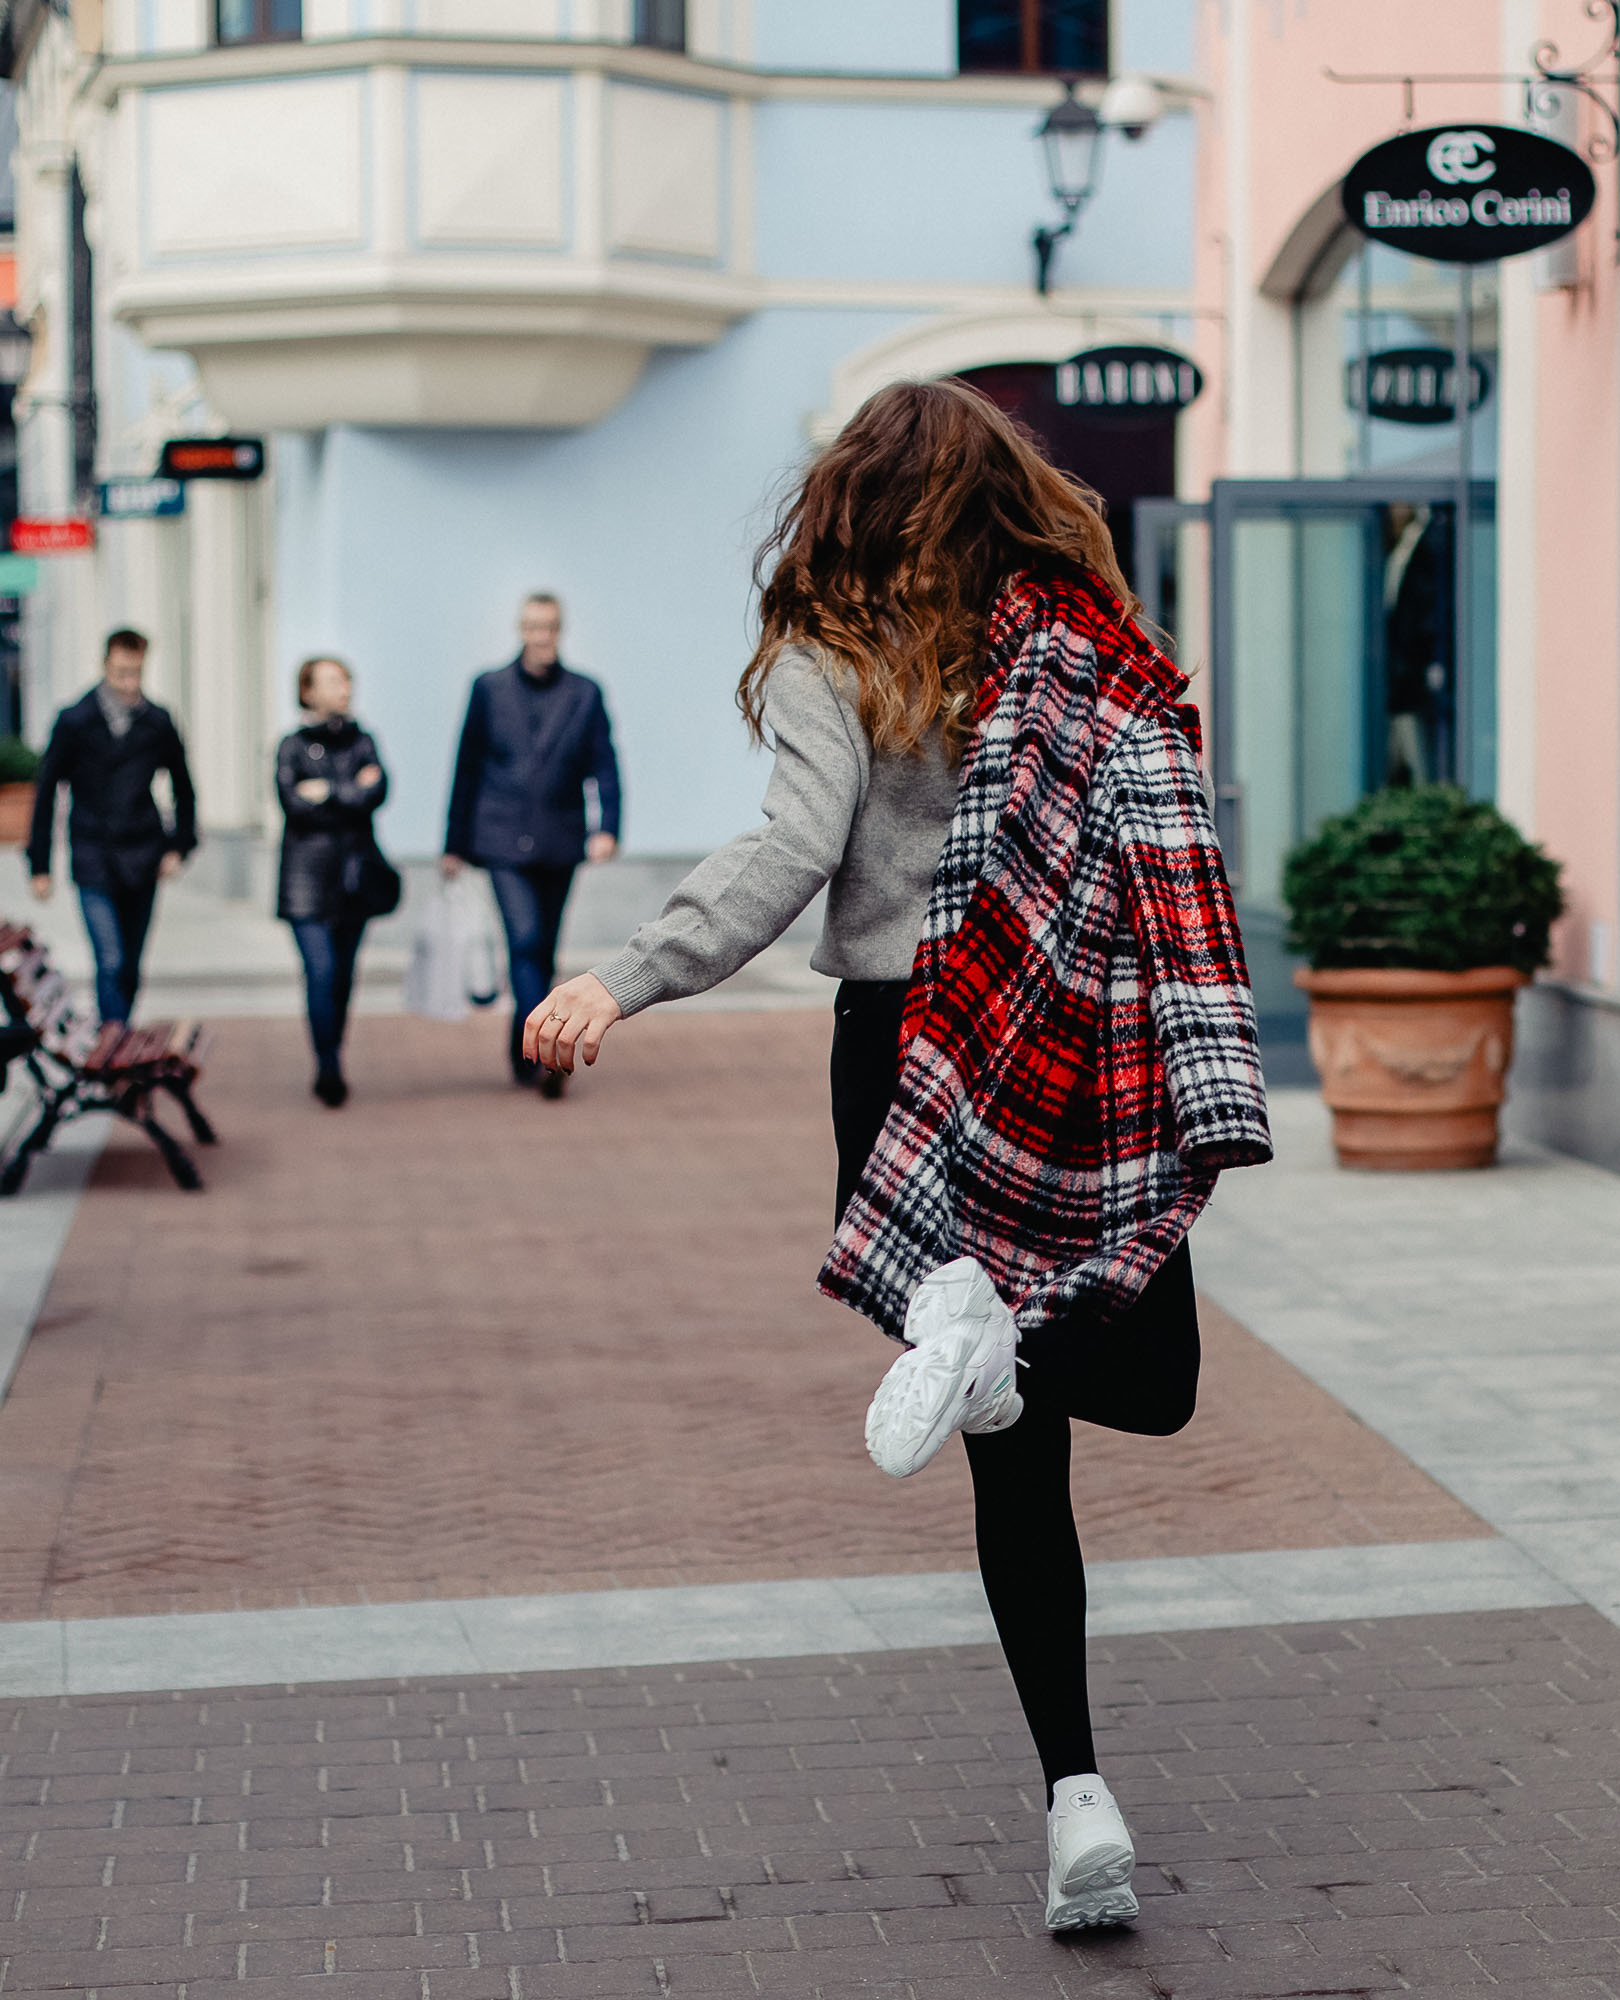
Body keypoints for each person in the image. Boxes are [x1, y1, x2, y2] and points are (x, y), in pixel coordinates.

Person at [521, 381, 1271, 1934]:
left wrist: (626, 974)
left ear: (845, 501)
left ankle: (995, 1388)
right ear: (1007, 491)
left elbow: (790, 852)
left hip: (919, 1045)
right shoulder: (1081, 644)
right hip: (1061, 1045)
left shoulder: (838, 652)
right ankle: (1077, 1800)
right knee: (1140, 1382)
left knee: (1042, 1425)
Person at [441, 593, 620, 1097]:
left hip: (560, 840)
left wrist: (607, 827)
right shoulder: (489, 688)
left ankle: (522, 1043)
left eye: (549, 628)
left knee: (542, 947)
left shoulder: (584, 693)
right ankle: (542, 1052)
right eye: (532, 627)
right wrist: (453, 844)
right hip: (499, 840)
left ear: (560, 631)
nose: (541, 637)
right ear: (521, 630)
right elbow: (467, 766)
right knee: (522, 940)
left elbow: (604, 762)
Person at [27, 627, 196, 1026]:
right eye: (121, 673)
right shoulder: (75, 721)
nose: (128, 683)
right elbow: (46, 791)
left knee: (131, 964)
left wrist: (179, 846)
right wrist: (40, 865)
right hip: (93, 853)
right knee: (110, 957)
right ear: (106, 666)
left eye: (136, 673)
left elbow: (184, 787)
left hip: (143, 853)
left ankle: (117, 1043)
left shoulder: (157, 721)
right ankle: (115, 1049)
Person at [275, 656, 388, 1107]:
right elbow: (293, 803)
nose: (344, 688)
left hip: (354, 879)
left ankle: (333, 1049)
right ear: (308, 692)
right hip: (305, 881)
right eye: (332, 681)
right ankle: (327, 1064)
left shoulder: (363, 740)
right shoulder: (292, 746)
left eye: (346, 679)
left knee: (342, 976)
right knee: (320, 971)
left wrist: (327, 792)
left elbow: (377, 792)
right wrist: (351, 790)